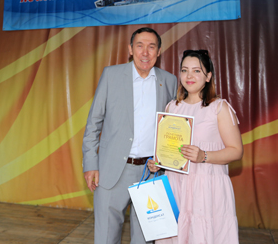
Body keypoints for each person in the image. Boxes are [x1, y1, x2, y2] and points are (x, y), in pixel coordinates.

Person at [82, 27, 178, 244]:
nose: (145, 52)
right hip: (112, 171)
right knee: (106, 238)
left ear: (159, 52)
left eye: (151, 47)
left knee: (144, 240)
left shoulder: (169, 81)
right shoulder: (111, 75)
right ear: (130, 49)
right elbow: (93, 124)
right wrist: (90, 163)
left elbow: (172, 128)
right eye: (139, 46)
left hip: (151, 173)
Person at [148, 49, 243, 244]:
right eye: (184, 70)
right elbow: (169, 148)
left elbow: (236, 151)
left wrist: (204, 156)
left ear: (208, 76)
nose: (189, 76)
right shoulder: (172, 107)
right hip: (176, 186)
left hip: (207, 188)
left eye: (196, 71)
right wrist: (158, 162)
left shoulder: (219, 108)